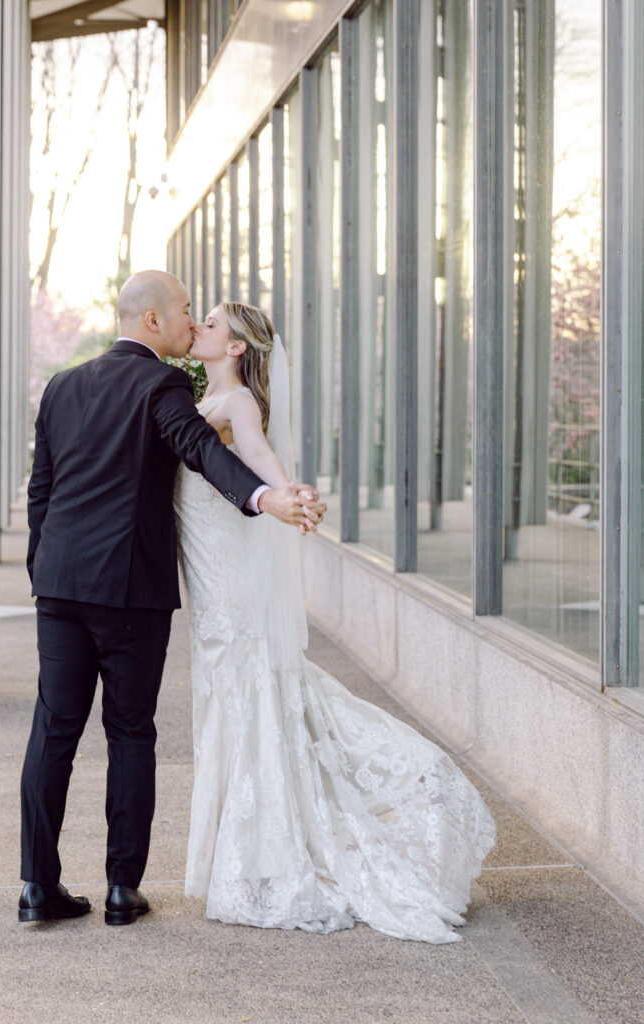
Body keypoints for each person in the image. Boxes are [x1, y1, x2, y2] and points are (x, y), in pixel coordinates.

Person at [175, 301, 496, 942]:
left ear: (237, 348)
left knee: (246, 686)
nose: (201, 327)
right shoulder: (197, 400)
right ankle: (254, 848)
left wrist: (288, 494)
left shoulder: (234, 404)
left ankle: (266, 858)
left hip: (229, 580)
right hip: (211, 566)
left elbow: (260, 454)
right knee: (235, 688)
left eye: (212, 323)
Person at [19, 271, 325, 926]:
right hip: (129, 588)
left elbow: (40, 491)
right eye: (186, 310)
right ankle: (122, 891)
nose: (192, 321)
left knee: (53, 731)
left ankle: (36, 888)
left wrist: (41, 571)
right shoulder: (162, 383)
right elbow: (195, 448)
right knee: (129, 732)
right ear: (153, 322)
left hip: (58, 585)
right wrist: (264, 498)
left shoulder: (63, 386)